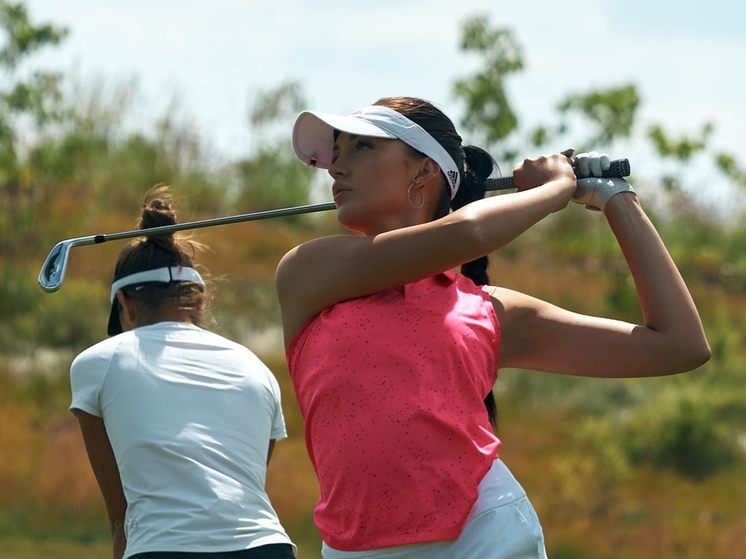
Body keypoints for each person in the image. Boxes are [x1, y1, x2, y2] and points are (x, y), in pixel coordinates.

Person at [275, 97, 711, 558]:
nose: (336, 168)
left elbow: (679, 345)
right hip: (353, 548)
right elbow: (467, 234)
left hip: (486, 535)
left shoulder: (487, 309)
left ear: (423, 171)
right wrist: (554, 189)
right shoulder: (310, 271)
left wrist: (615, 197)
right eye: (335, 154)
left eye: (361, 148)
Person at [70, 186, 296, 559]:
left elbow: (122, 517)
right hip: (268, 547)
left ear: (125, 305)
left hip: (164, 550)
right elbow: (244, 487)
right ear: (199, 301)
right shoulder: (256, 368)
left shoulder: (97, 364)